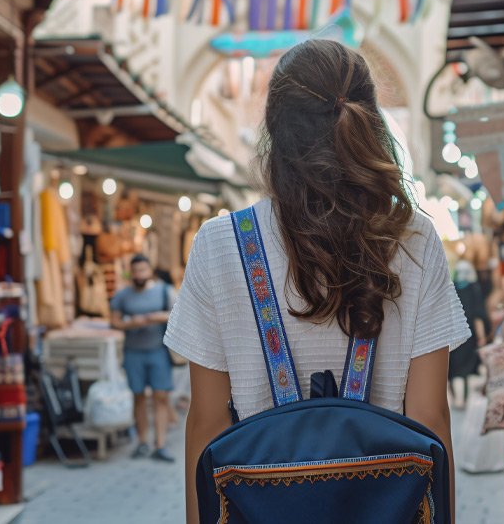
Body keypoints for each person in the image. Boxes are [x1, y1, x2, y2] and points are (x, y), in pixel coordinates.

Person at [165, 39, 471, 523]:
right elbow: (430, 416)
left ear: (273, 130)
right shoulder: (412, 238)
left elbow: (206, 421)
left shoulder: (220, 244)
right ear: (371, 122)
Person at [110, 254, 177, 462]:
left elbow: (177, 314)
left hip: (158, 351)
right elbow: (114, 322)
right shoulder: (122, 296)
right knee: (138, 397)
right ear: (131, 273)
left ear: (150, 271)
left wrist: (153, 317)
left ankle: (161, 444)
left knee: (161, 397)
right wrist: (132, 323)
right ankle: (142, 442)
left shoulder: (164, 291)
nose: (139, 274)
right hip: (133, 353)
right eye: (136, 271)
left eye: (143, 270)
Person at [449, 258, 489, 409]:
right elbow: (478, 314)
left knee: (453, 371)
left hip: (455, 335)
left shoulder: (452, 288)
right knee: (462, 370)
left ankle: (457, 399)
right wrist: (481, 336)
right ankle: (461, 400)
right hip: (466, 334)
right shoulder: (473, 288)